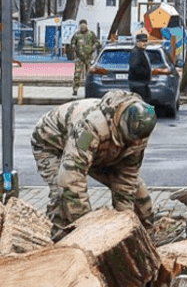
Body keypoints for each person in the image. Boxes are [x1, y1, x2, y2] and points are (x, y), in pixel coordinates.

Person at [30, 91, 158, 240]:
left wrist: (125, 224)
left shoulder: (140, 133)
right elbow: (72, 178)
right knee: (63, 196)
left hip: (102, 151)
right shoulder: (91, 127)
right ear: (120, 124)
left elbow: (127, 180)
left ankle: (147, 242)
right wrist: (88, 230)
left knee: (139, 198)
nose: (134, 145)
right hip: (52, 144)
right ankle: (60, 244)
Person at [70, 20, 101, 96]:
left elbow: (97, 42)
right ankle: (75, 89)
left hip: (88, 57)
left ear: (86, 25)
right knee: (77, 74)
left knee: (90, 74)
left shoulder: (91, 34)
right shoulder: (77, 35)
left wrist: (93, 47)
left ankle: (91, 89)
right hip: (79, 58)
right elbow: (72, 43)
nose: (83, 27)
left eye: (84, 26)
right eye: (81, 26)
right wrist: (75, 49)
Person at [128, 33, 152, 102]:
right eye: (142, 41)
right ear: (137, 42)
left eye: (145, 41)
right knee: (142, 103)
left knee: (146, 102)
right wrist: (145, 73)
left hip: (143, 84)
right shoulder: (135, 52)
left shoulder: (141, 51)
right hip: (138, 84)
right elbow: (135, 68)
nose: (144, 43)